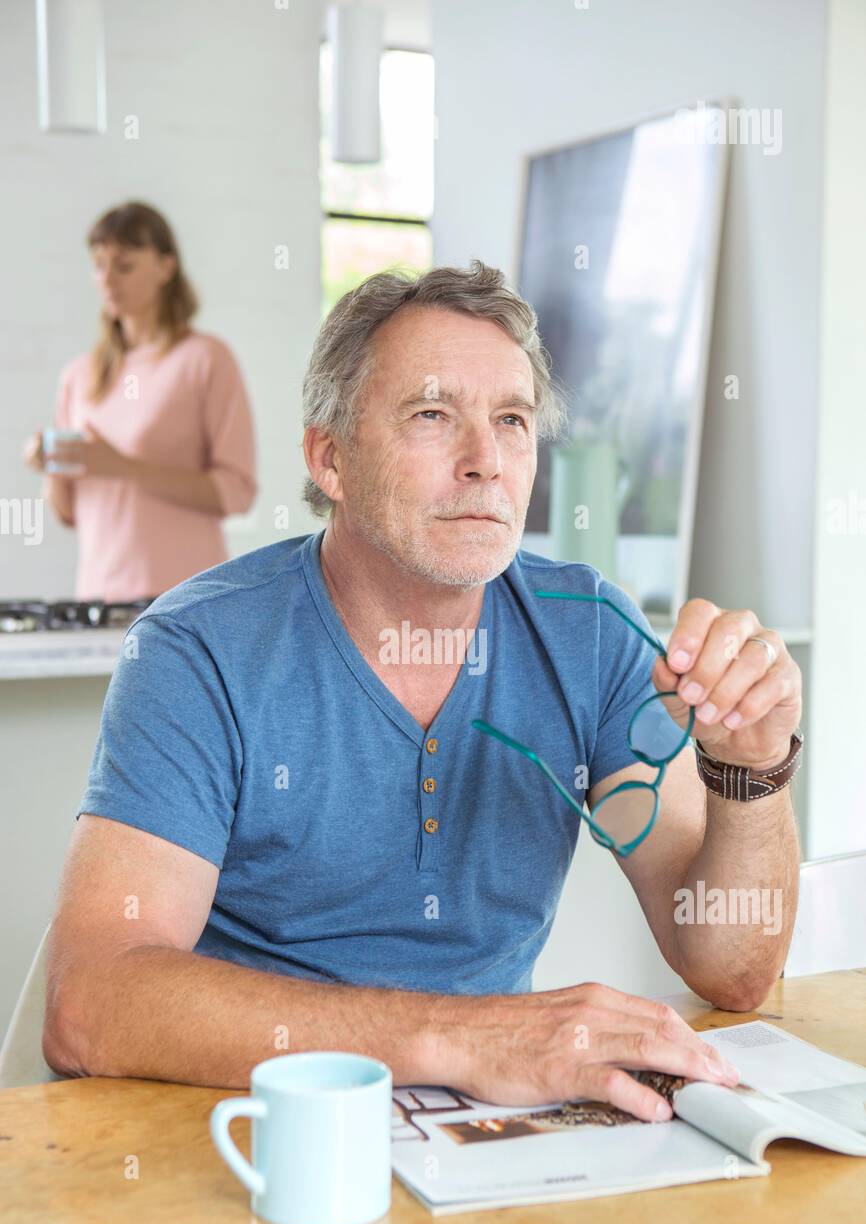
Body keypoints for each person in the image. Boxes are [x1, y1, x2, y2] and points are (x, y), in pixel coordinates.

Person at [43, 260, 803, 1121]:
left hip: (494, 1136)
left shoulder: (583, 630)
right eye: (434, 416)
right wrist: (464, 1038)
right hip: (246, 1132)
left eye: (512, 421)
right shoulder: (197, 650)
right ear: (330, 457)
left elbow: (733, 969)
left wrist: (750, 768)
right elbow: (90, 1004)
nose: (487, 463)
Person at [23, 201, 257, 601]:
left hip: (185, 602)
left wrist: (122, 467)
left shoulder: (205, 358)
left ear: (166, 267)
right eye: (98, 265)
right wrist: (48, 466)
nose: (107, 279)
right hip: (98, 599)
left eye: (124, 265)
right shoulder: (79, 375)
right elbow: (69, 513)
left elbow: (236, 493)